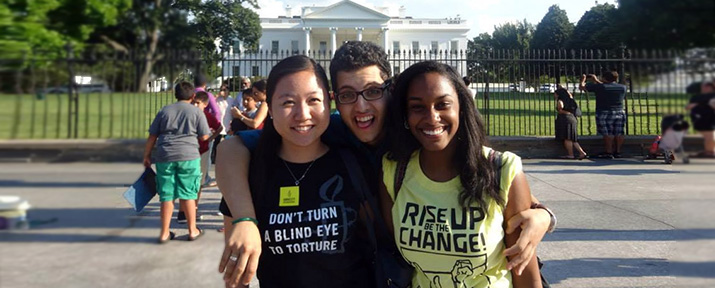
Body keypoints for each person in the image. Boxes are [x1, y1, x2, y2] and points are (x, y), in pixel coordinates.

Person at [216, 41, 554, 287]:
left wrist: (542, 215)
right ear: (336, 100)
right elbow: (232, 149)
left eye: (373, 91)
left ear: (390, 90)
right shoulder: (329, 129)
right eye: (348, 95)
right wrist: (246, 218)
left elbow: (492, 182)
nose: (361, 108)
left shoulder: (417, 129)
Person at [380, 61, 542, 287]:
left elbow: (524, 271)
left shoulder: (502, 169)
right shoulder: (394, 172)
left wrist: (546, 217)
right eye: (417, 107)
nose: (431, 117)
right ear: (405, 115)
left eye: (442, 104)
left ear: (462, 107)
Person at [223, 55, 374, 287]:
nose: (302, 114)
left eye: (314, 100)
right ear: (270, 108)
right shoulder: (249, 174)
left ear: (329, 103)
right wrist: (245, 220)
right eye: (288, 103)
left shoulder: (352, 162)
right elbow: (237, 271)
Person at [143, 82, 209, 243]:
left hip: (165, 156)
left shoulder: (165, 111)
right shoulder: (196, 112)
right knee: (188, 194)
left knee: (167, 195)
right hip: (189, 156)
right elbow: (204, 137)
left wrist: (147, 155)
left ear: (175, 94)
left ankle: (164, 233)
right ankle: (192, 230)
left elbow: (153, 135)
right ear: (193, 96)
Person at [580, 70, 627, 159]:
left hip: (604, 111)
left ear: (604, 78)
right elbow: (606, 86)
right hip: (619, 111)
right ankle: (618, 151)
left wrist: (583, 79)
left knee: (608, 133)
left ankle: (608, 152)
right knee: (619, 132)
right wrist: (597, 81)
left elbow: (582, 87)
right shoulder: (622, 87)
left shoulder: (600, 87)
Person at [192, 91, 223, 219]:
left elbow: (219, 128)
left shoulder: (207, 116)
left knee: (198, 181)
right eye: (194, 102)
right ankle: (187, 210)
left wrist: (211, 138)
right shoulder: (190, 114)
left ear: (205, 104)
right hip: (189, 151)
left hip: (203, 151)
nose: (195, 105)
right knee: (189, 181)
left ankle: (194, 207)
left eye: (198, 103)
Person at [554, 87, 587, 159]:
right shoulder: (571, 100)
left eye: (555, 94)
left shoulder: (560, 100)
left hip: (565, 119)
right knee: (572, 138)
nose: (555, 95)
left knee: (567, 138)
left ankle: (570, 154)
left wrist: (560, 109)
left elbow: (560, 108)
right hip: (573, 118)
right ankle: (582, 152)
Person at [686, 80, 715, 158]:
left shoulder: (713, 95)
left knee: (709, 135)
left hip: (709, 118)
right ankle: (708, 151)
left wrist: (700, 104)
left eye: (708, 86)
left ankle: (710, 152)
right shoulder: (696, 97)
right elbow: (688, 107)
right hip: (698, 119)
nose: (706, 88)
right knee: (706, 136)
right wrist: (700, 103)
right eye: (704, 86)